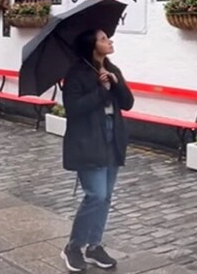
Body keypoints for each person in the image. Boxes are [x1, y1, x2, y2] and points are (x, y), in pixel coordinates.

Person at [60, 29, 134, 272]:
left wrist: (115, 83)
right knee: (96, 195)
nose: (109, 41)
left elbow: (127, 103)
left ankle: (94, 246)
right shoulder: (75, 74)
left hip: (113, 136)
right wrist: (101, 90)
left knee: (106, 197)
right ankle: (73, 246)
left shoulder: (112, 69)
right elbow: (74, 110)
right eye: (103, 39)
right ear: (92, 45)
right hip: (87, 139)